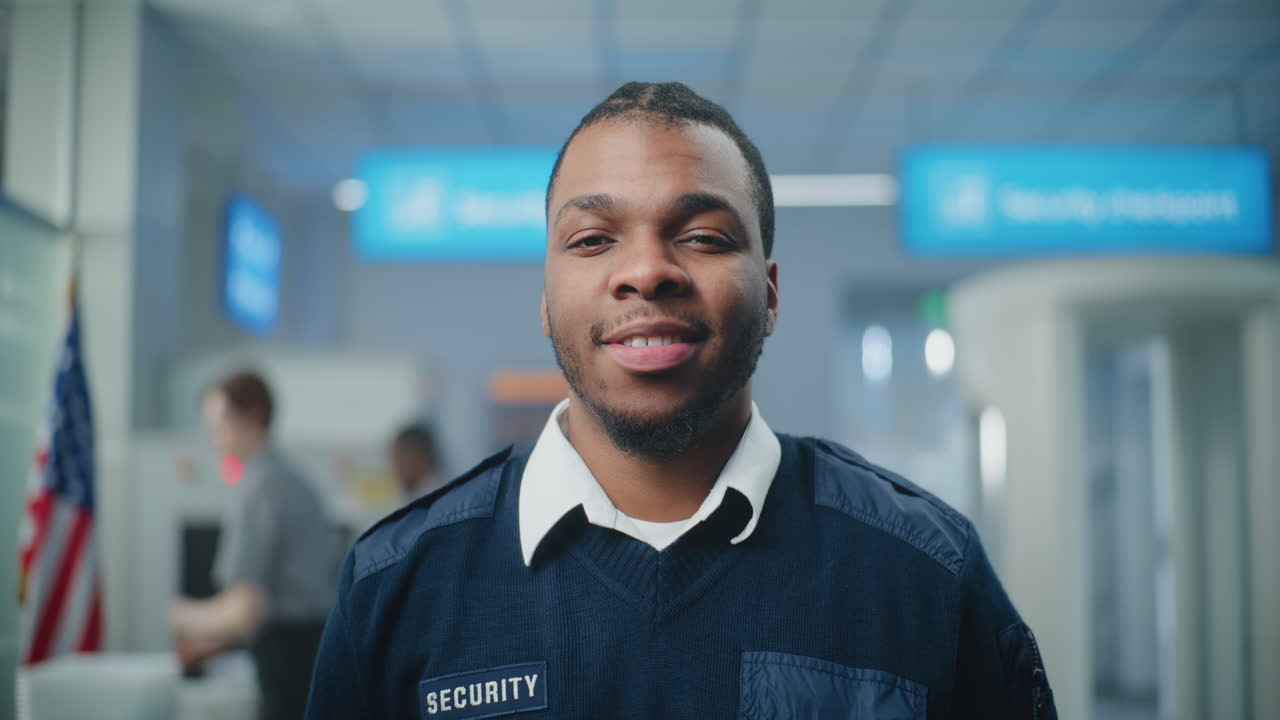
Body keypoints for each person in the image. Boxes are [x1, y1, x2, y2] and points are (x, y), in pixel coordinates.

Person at [306, 83, 1056, 718]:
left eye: (701, 236)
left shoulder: (926, 573)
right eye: (592, 240)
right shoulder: (396, 585)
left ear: (770, 294)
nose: (646, 271)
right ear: (545, 302)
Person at [172, 370, 343, 720]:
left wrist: (180, 615)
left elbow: (245, 609)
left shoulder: (260, 487)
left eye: (219, 423)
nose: (213, 436)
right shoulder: (289, 478)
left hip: (289, 657)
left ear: (252, 416)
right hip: (313, 648)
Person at [389, 422, 442, 502]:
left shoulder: (434, 499)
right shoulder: (418, 495)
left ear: (416, 457)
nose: (395, 470)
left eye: (398, 460)